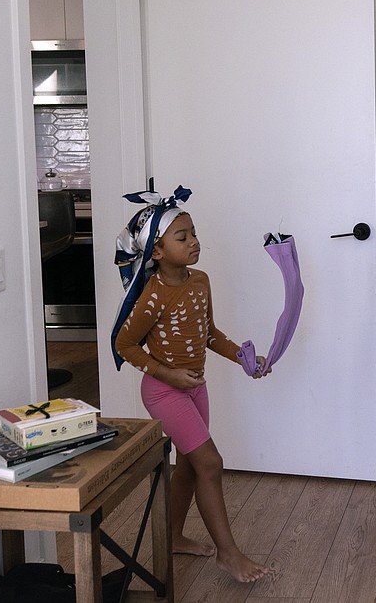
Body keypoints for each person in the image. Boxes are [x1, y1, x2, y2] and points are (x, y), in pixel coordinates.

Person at [111, 187, 270, 583]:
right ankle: (228, 554)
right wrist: (168, 375)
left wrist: (242, 358)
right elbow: (124, 344)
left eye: (194, 233)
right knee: (210, 463)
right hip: (165, 391)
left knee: (188, 466)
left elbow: (209, 333)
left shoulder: (200, 281)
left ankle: (174, 537)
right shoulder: (152, 296)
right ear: (158, 252)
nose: (194, 241)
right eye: (182, 237)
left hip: (195, 387)